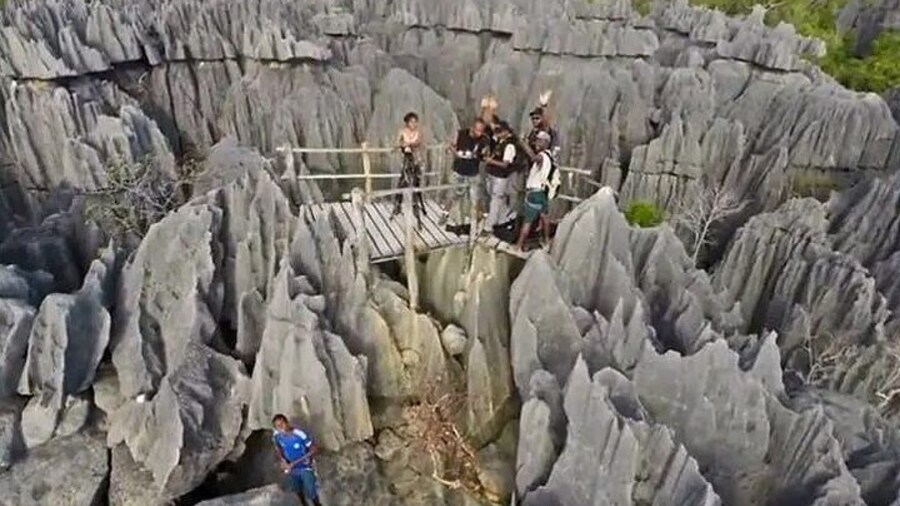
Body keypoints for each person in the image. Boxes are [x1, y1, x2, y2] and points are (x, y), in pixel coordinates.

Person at [444, 118, 490, 230]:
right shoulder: (461, 134)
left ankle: (478, 221)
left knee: (476, 197)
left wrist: (483, 154)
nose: (479, 133)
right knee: (453, 195)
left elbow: (485, 154)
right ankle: (447, 214)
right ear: (472, 128)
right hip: (459, 170)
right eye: (477, 130)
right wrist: (456, 153)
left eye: (481, 131)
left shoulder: (484, 139)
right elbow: (451, 146)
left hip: (473, 172)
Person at [516, 130, 555, 251]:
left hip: (534, 193)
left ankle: (518, 246)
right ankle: (546, 241)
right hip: (542, 193)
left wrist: (523, 144)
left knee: (527, 221)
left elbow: (534, 158)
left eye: (539, 141)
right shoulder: (550, 156)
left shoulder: (543, 156)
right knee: (545, 217)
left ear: (545, 143)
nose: (536, 143)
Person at [272, 414, 322, 506]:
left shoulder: (299, 434)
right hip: (291, 469)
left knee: (311, 491)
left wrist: (294, 463)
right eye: (277, 426)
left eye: (282, 424)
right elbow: (277, 446)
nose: (280, 428)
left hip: (305, 467)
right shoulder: (277, 435)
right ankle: (304, 503)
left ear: (287, 423)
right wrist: (282, 459)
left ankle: (317, 504)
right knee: (297, 489)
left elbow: (315, 449)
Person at [483, 121, 521, 233]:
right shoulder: (501, 142)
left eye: (499, 131)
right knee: (498, 199)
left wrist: (491, 161)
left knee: (496, 200)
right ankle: (504, 219)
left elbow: (505, 164)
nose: (497, 134)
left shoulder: (509, 145)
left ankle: (489, 225)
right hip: (494, 175)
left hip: (500, 177)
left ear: (506, 131)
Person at [392, 112, 426, 226]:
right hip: (407, 159)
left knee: (416, 182)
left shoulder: (418, 132)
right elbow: (397, 144)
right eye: (412, 121)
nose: (414, 124)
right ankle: (397, 205)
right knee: (403, 181)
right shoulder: (402, 131)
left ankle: (418, 206)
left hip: (416, 159)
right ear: (407, 122)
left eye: (415, 121)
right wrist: (403, 144)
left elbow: (420, 143)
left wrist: (413, 144)